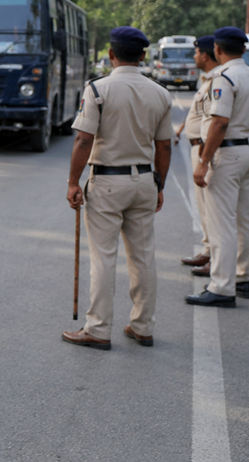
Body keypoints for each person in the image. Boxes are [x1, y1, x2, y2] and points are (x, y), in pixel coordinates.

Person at [63, 26, 172, 350]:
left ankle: (97, 329)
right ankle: (143, 326)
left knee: (103, 258)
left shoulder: (98, 90)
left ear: (111, 54)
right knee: (143, 257)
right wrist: (159, 185)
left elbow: (84, 138)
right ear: (142, 56)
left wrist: (73, 182)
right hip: (144, 181)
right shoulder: (160, 93)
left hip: (108, 182)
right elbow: (164, 147)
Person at [187, 27, 249, 307]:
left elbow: (220, 123)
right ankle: (242, 276)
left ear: (218, 50)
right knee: (241, 218)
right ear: (244, 50)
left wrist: (204, 161)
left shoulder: (224, 78)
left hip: (228, 153)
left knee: (222, 223)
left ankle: (222, 287)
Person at [176, 36, 220, 269]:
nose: (193, 57)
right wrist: (181, 130)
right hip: (197, 145)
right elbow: (199, 112)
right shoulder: (207, 80)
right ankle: (208, 249)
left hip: (204, 148)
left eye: (195, 53)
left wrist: (205, 157)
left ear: (205, 54)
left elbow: (216, 120)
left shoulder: (218, 81)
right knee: (203, 206)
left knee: (210, 207)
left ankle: (215, 256)